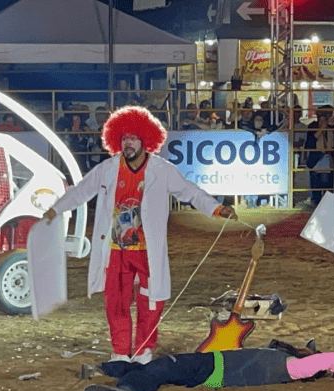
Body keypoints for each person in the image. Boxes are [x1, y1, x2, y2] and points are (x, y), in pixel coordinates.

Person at [42, 106, 237, 364]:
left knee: (151, 301)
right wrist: (55, 210)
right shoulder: (108, 169)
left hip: (147, 251)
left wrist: (216, 208)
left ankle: (144, 351)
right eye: (123, 138)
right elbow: (81, 191)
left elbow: (189, 191)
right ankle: (120, 353)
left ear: (146, 140)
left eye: (133, 138)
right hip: (115, 250)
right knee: (116, 303)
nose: (128, 143)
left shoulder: (162, 170)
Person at [83, 339, 334, 391]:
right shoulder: (284, 362)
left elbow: (333, 359)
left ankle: (126, 390)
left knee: (164, 366)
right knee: (161, 367)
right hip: (214, 368)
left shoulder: (292, 368)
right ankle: (106, 370)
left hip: (214, 368)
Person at [304, 105, 334, 205]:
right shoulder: (312, 126)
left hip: (328, 157)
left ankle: (326, 202)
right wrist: (321, 129)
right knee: (316, 182)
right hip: (316, 158)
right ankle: (316, 200)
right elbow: (310, 143)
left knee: (327, 182)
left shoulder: (332, 127)